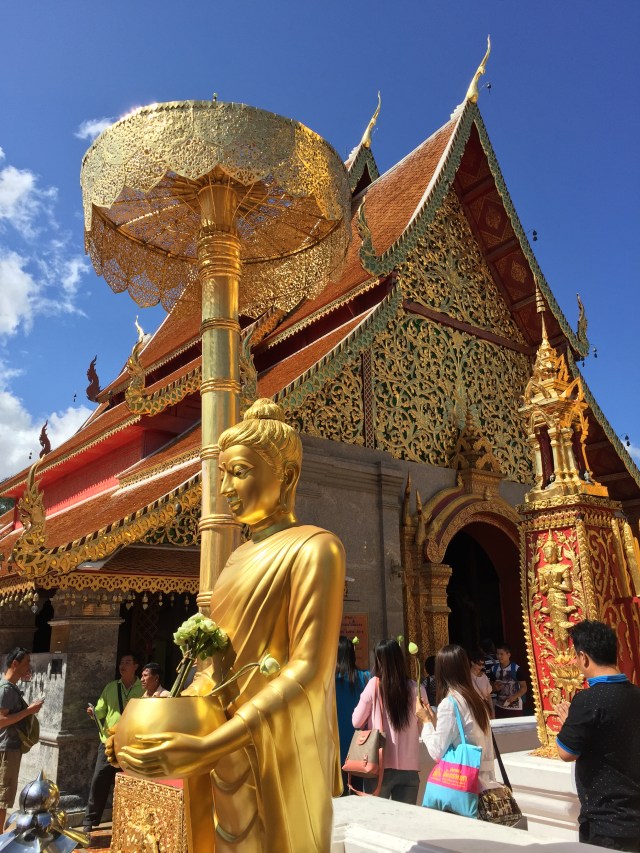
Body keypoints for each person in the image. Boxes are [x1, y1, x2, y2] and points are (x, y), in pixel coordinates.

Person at [118, 399, 346, 853]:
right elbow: (211, 672)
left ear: (287, 476)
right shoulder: (236, 559)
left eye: (238, 472)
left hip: (282, 751)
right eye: (222, 474)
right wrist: (145, 731)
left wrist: (213, 744)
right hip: (224, 754)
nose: (224, 489)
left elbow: (308, 672)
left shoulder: (316, 549)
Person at [555, 620, 640, 851]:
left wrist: (568, 726)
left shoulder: (588, 700)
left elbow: (566, 752)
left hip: (605, 820)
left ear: (583, 657)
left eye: (576, 657)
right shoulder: (636, 694)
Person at [416, 644, 501, 798]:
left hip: (467, 787)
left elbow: (437, 751)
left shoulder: (450, 703)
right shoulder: (476, 700)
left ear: (441, 672)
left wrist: (426, 722)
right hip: (486, 784)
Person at [352, 638, 426, 803]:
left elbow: (356, 722)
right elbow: (422, 726)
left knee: (376, 823)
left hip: (379, 766)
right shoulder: (417, 689)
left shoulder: (374, 685)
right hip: (410, 768)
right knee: (404, 825)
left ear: (379, 660)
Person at [82, 652, 143, 835]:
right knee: (99, 779)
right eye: (121, 662)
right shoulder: (110, 687)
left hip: (131, 743)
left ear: (136, 666)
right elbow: (101, 711)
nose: (123, 665)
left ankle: (127, 821)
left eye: (127, 662)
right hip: (109, 743)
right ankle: (90, 819)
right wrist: (93, 713)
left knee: (127, 782)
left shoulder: (143, 688)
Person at [0, 648, 43, 829]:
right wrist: (29, 711)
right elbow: (1, 721)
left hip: (8, 747)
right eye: (26, 662)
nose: (29, 666)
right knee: (2, 796)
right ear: (15, 664)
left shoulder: (9, 688)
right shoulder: (7, 689)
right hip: (6, 749)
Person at [335, 636, 369, 793]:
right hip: (359, 747)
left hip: (335, 747)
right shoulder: (364, 678)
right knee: (357, 793)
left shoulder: (329, 680)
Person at [491, 644, 527, 718]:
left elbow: (524, 687)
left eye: (501, 654)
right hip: (499, 706)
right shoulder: (493, 669)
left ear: (508, 655)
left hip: (515, 707)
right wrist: (495, 688)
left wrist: (514, 697)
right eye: (497, 654)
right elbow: (490, 685)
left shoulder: (517, 669)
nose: (499, 656)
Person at [469, 649, 494, 719]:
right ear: (472, 663)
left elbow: (488, 696)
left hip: (484, 709)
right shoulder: (467, 677)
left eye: (483, 664)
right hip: (472, 710)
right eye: (479, 664)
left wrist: (492, 710)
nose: (481, 667)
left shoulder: (484, 676)